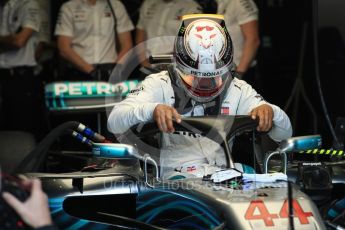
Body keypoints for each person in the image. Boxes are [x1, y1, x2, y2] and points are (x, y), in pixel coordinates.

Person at [107, 14, 292, 179]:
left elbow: (284, 133)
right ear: (179, 65)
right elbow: (114, 121)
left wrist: (270, 112)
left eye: (213, 77)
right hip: (178, 181)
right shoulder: (159, 84)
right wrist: (152, 110)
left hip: (227, 173)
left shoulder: (238, 89)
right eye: (194, 76)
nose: (203, 83)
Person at [55, 0, 134, 81]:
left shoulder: (116, 5)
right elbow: (63, 47)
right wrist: (91, 71)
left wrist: (116, 70)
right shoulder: (69, 7)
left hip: (110, 69)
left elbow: (127, 44)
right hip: (78, 69)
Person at [0, 0, 44, 139]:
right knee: (5, 125)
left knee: (23, 127)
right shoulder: (3, 6)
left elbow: (19, 41)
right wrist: (8, 40)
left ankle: (29, 160)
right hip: (3, 74)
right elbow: (13, 40)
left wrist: (10, 40)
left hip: (21, 77)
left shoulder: (28, 4)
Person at [135, 0, 202, 68]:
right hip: (146, 64)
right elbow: (140, 35)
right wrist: (144, 63)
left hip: (176, 66)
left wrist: (168, 61)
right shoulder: (148, 3)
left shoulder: (192, 7)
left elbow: (194, 41)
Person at [217, 0, 261, 89]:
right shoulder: (222, 4)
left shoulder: (240, 2)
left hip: (241, 73)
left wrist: (239, 74)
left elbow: (253, 40)